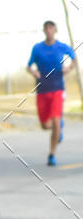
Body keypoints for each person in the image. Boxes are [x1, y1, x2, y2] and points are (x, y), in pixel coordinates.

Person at [27, 20, 75, 166]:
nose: (49, 31)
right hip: (42, 90)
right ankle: (58, 126)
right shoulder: (37, 48)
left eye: (51, 28)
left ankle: (51, 154)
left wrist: (69, 68)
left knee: (54, 120)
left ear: (55, 30)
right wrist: (34, 72)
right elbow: (29, 66)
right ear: (44, 31)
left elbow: (73, 58)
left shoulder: (61, 47)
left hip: (57, 89)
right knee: (45, 125)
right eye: (46, 29)